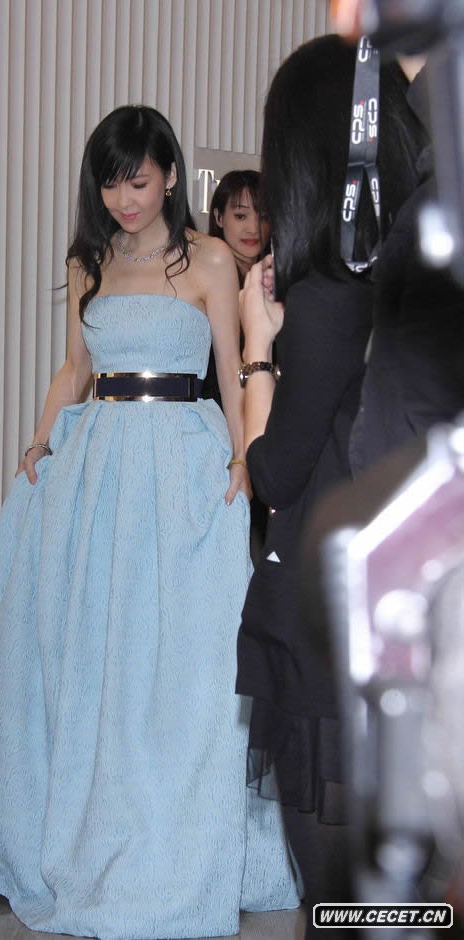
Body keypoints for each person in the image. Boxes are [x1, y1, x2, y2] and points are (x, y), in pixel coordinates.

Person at [0, 105, 298, 939]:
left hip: (181, 461)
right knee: (91, 652)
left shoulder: (209, 259)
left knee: (184, 658)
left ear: (169, 176)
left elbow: (232, 370)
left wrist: (243, 459)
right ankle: (84, 830)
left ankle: (183, 841)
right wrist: (39, 440)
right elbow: (73, 368)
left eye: (137, 181)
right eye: (110, 184)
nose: (124, 199)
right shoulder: (88, 262)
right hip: (98, 465)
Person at [234, 37, 427, 938]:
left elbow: (271, 471)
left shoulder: (328, 292)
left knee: (338, 902)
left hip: (330, 611)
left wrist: (256, 344)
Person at [202, 170, 271, 561]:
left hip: (267, 438)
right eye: (240, 215)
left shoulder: (276, 281)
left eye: (262, 215)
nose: (252, 227)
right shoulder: (204, 277)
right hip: (216, 437)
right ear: (218, 217)